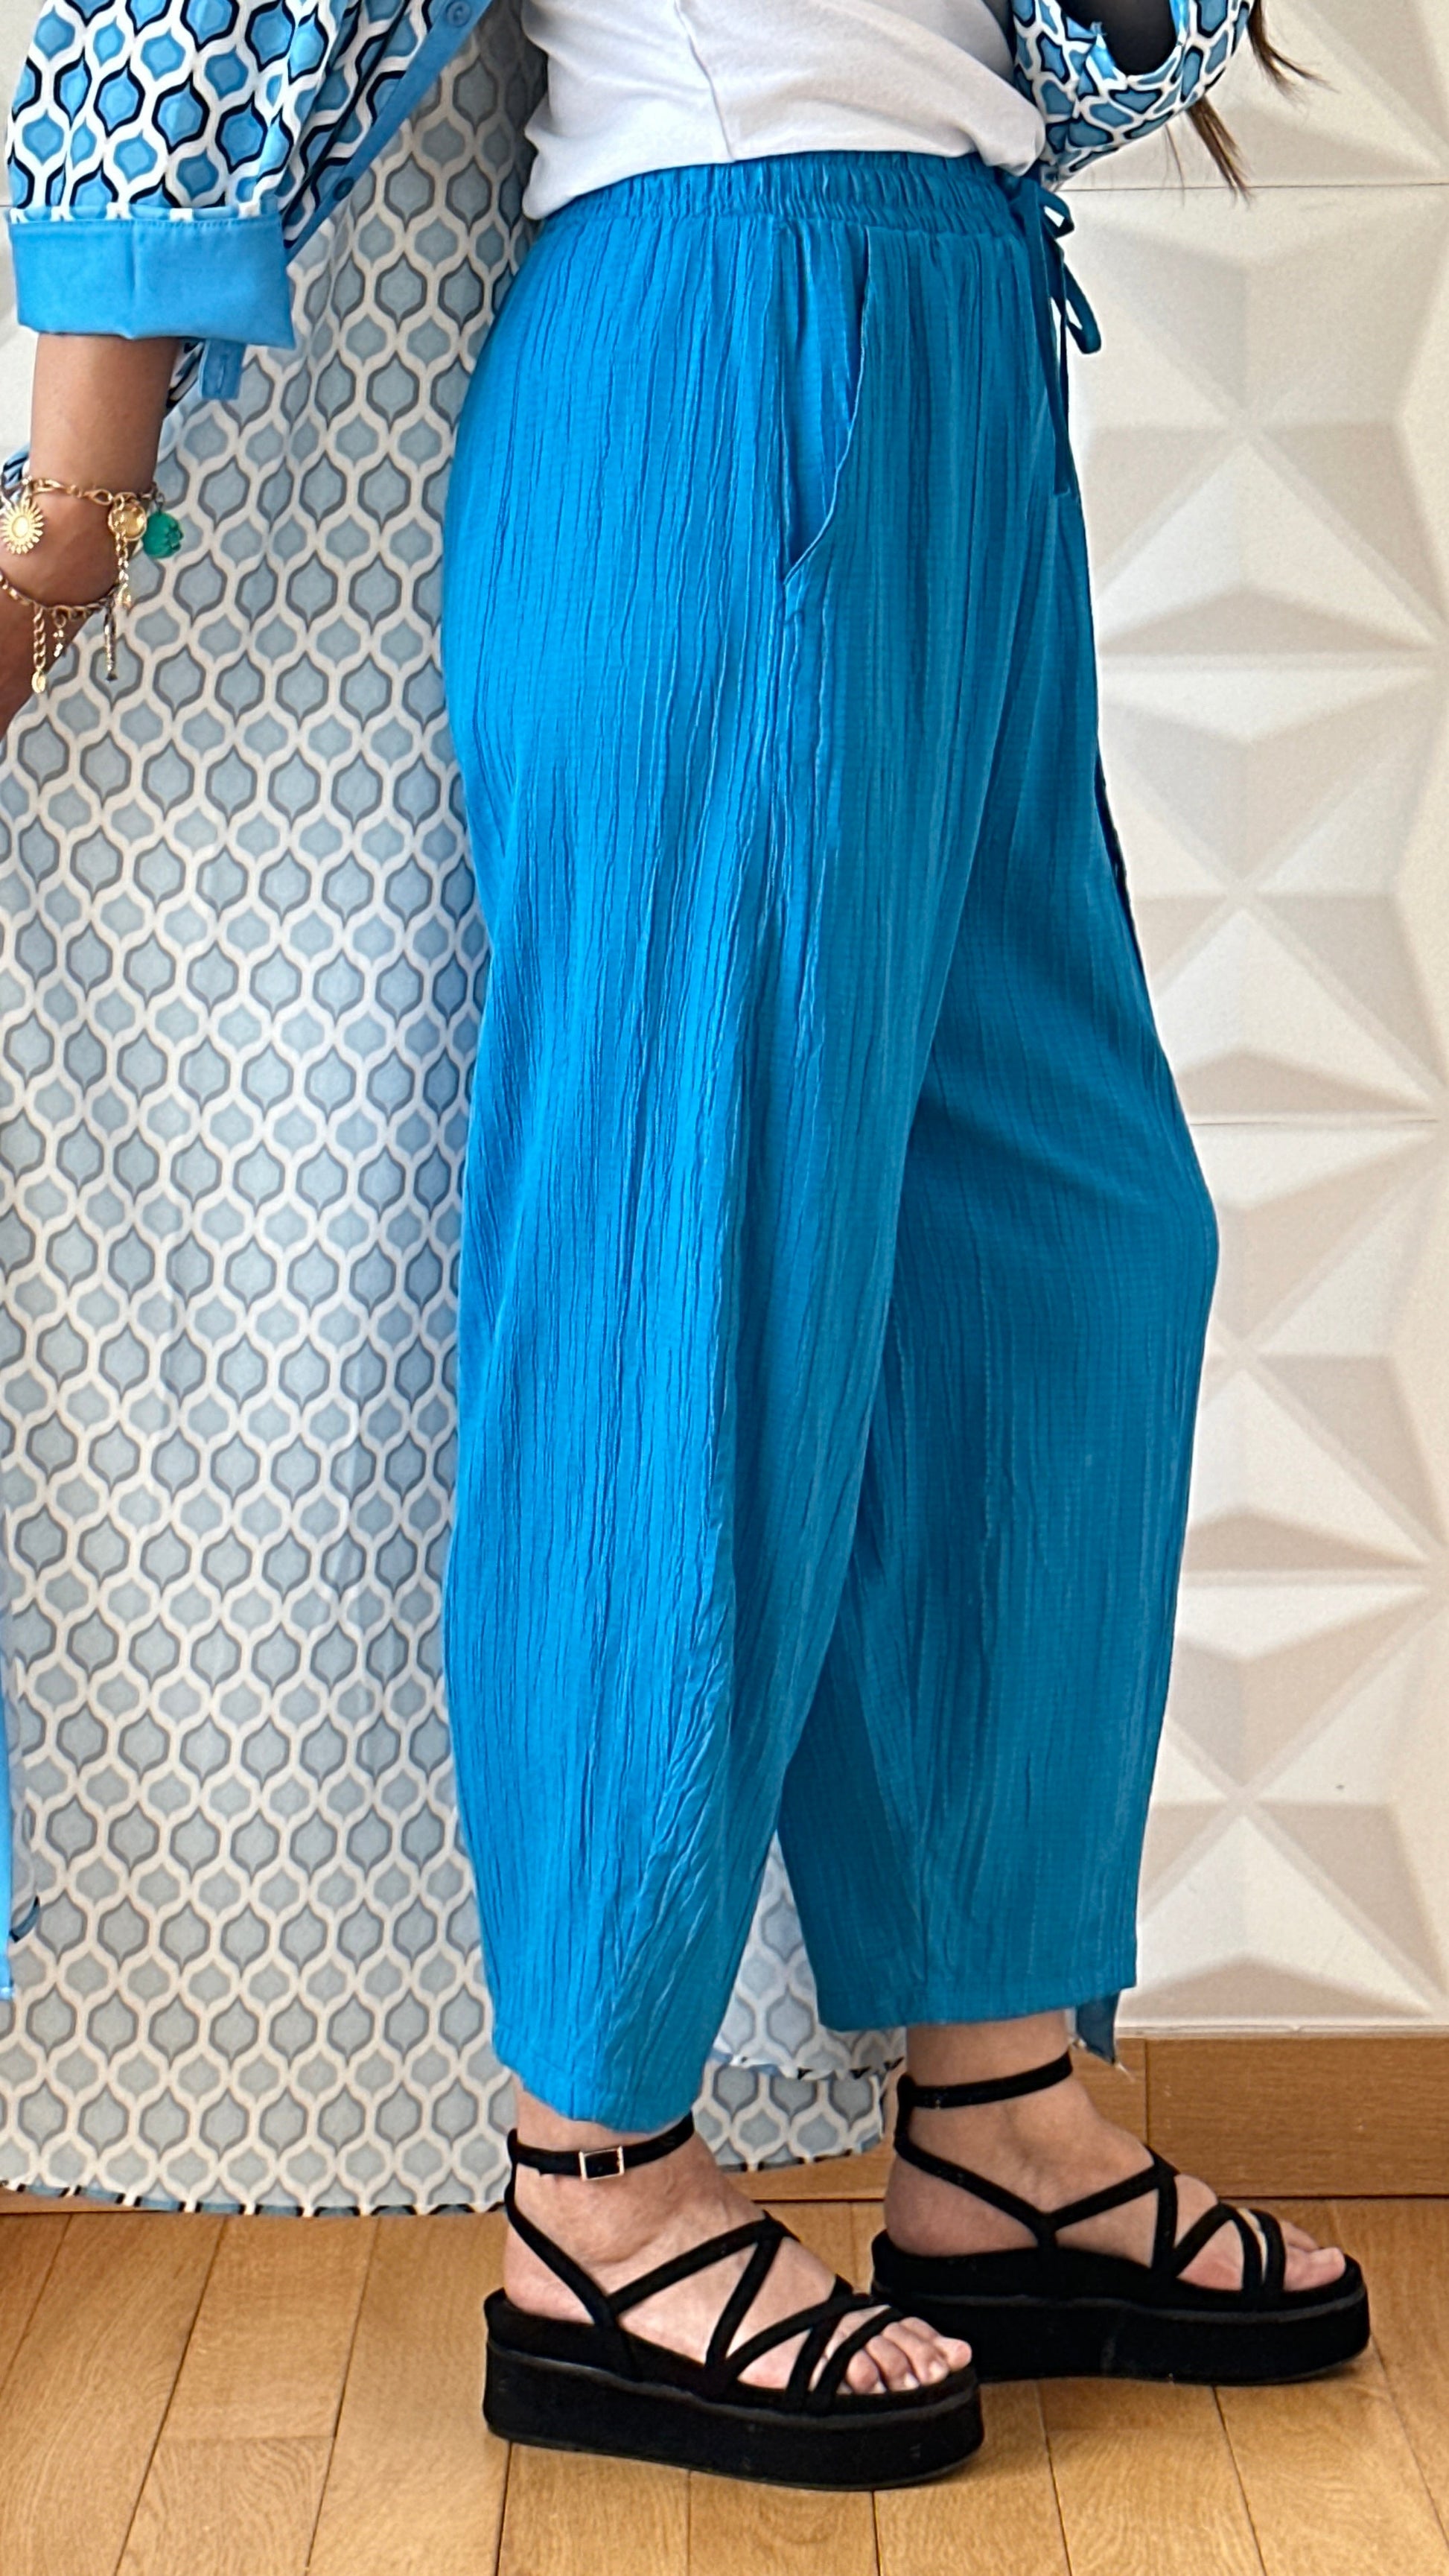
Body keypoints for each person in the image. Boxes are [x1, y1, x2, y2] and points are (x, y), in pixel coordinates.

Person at [1, 0, 1370, 2492]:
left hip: (954, 347)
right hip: (726, 345)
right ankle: (597, 2185)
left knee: (1061, 1254)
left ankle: (999, 2121)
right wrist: (72, 501)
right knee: (682, 1299)